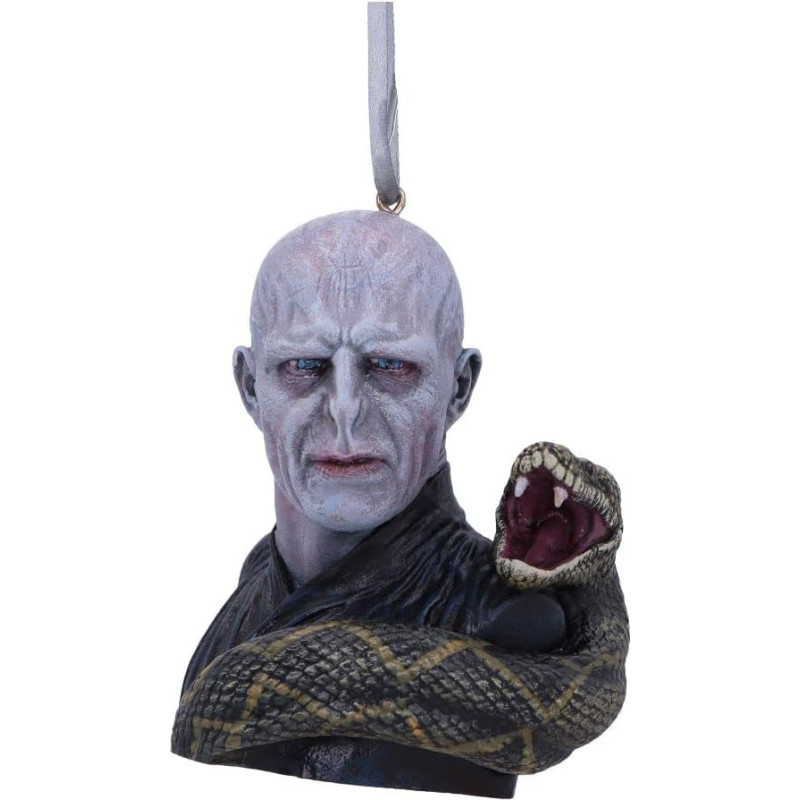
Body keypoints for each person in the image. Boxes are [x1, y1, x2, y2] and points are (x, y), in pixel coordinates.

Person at [178, 210, 566, 797]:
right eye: (303, 366)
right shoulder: (259, 576)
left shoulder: (503, 618)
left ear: (458, 387)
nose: (345, 409)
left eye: (390, 366)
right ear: (251, 387)